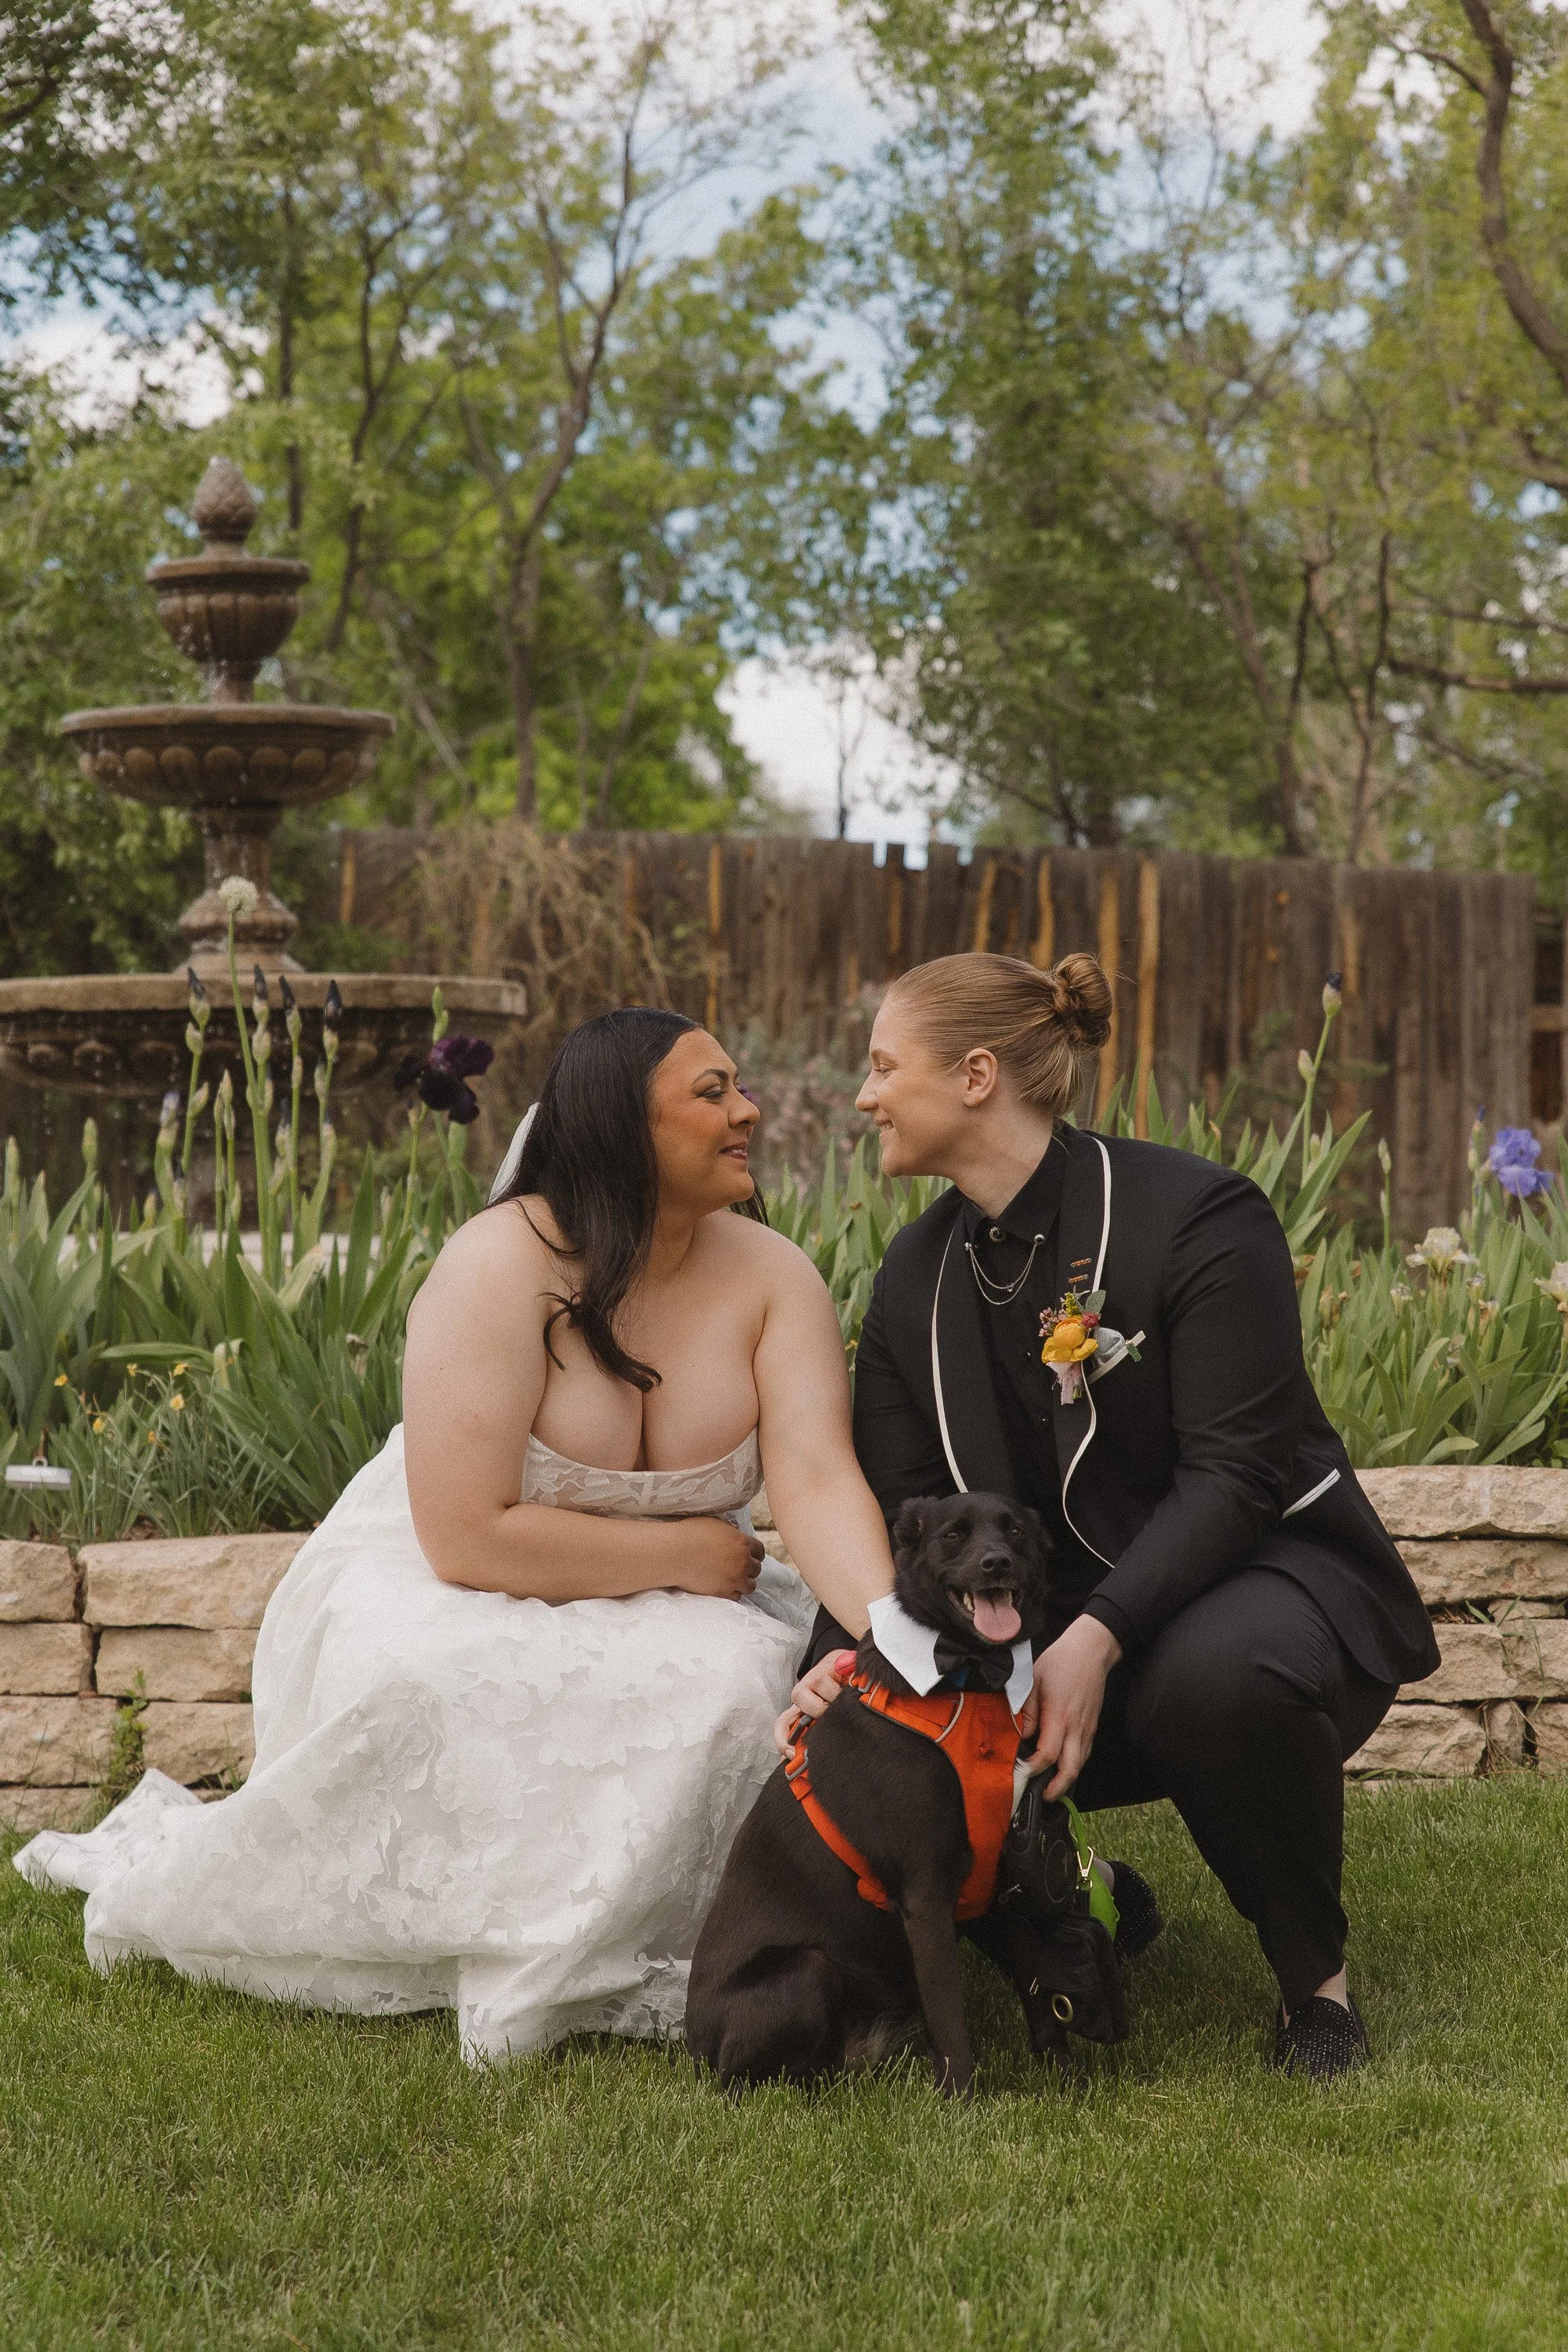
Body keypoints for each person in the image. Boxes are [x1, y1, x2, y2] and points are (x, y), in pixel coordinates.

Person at [16, 1009, 895, 2062]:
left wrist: (889, 1633)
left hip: (690, 1588)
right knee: (428, 1679)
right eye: (712, 1094)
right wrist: (684, 1554)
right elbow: (468, 1536)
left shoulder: (773, 1276)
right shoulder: (498, 1265)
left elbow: (818, 1477)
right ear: (622, 1124)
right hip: (464, 1565)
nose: (747, 1110)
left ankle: (702, 1947)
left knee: (738, 1697)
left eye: (737, 1086)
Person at [787, 949, 1439, 2080]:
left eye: (887, 1065)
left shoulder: (1197, 1216)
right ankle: (1076, 1896)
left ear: (978, 1074)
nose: (865, 1093)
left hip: (1267, 1584)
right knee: (879, 1709)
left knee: (1213, 1676)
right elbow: (908, 1516)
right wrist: (845, 1657)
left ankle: (1314, 1990)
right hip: (1047, 1618)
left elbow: (1239, 1476)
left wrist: (1095, 1638)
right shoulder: (914, 1274)